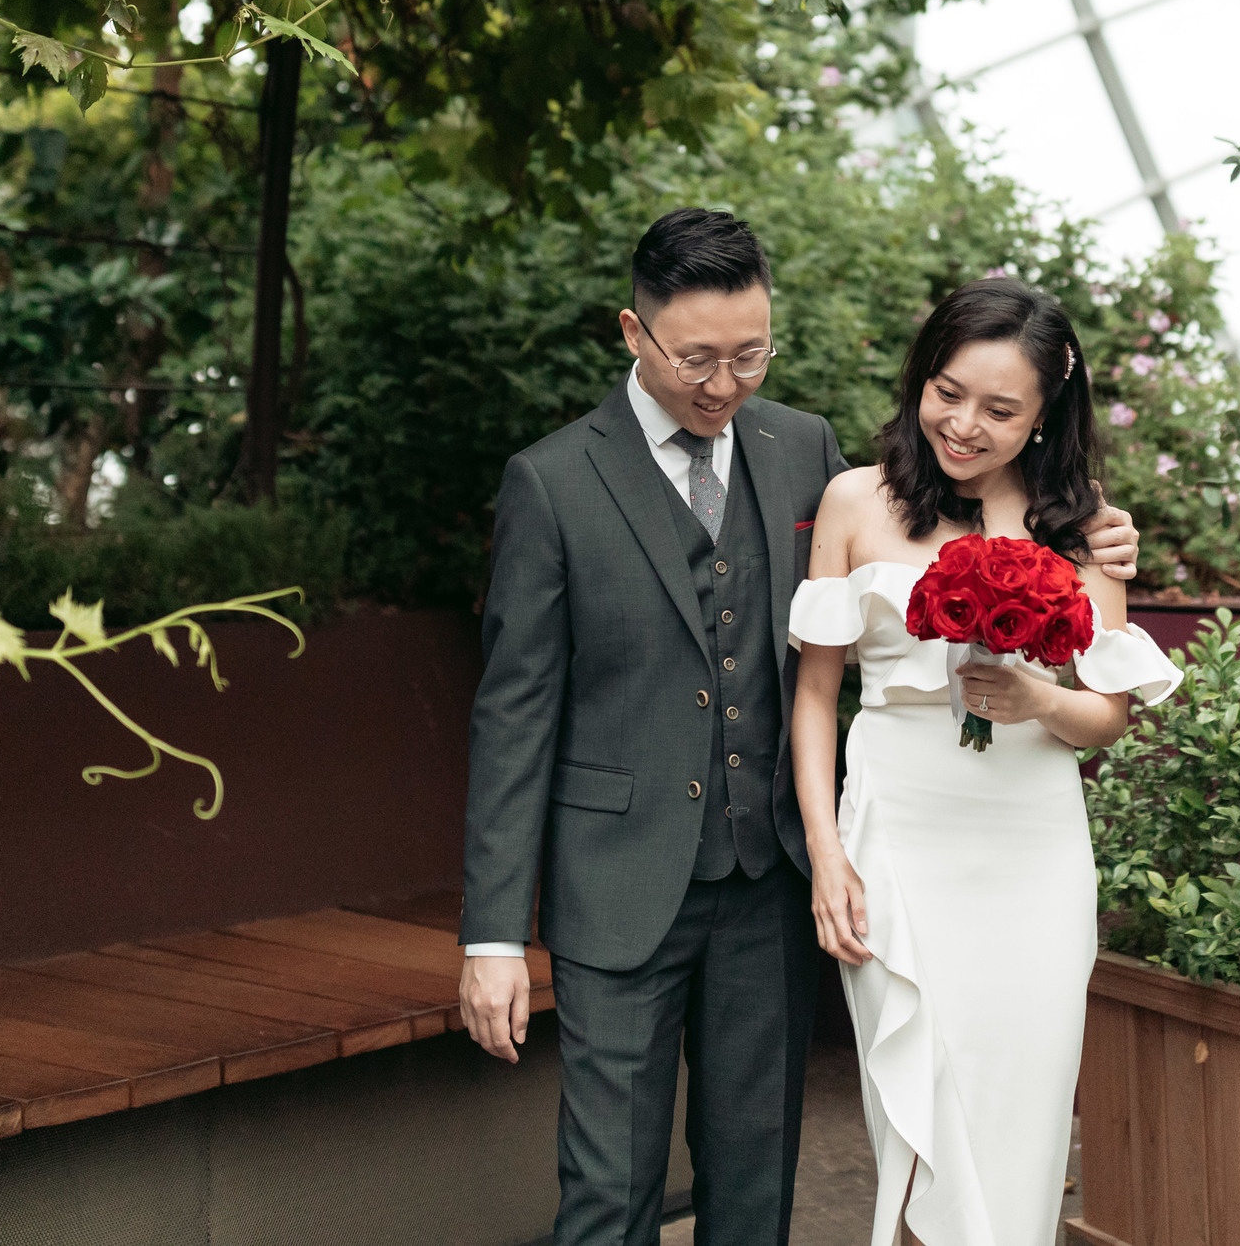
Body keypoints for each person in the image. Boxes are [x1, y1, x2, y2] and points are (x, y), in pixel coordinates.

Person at [457, 212, 1142, 1246]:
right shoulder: (551, 481)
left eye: (749, 354)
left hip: (765, 882)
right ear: (632, 333)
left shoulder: (802, 450)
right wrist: (494, 935)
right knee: (608, 1189)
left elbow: (810, 657)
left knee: (754, 1189)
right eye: (695, 357)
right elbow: (514, 714)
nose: (723, 383)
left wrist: (1085, 555)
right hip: (616, 878)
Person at [789, 276, 1182, 1246]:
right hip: (896, 839)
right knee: (916, 1117)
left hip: (1033, 849)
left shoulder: (1083, 523)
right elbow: (814, 695)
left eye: (1001, 409)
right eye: (947, 392)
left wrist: (1039, 700)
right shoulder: (853, 502)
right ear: (921, 378)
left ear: (1047, 414)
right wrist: (827, 855)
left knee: (1020, 1115)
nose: (964, 425)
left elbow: (1108, 715)